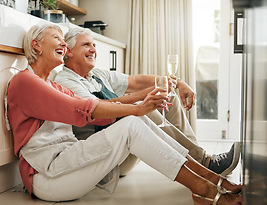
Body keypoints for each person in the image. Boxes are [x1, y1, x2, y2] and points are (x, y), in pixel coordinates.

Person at [5, 23, 242, 205]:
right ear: (36, 45)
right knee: (131, 122)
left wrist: (141, 105)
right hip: (44, 175)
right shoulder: (25, 81)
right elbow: (82, 109)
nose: (63, 45)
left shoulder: (50, 84)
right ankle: (205, 190)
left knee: (134, 120)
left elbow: (94, 107)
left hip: (65, 162)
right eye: (56, 38)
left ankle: (210, 178)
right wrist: (138, 106)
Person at [53, 28, 240, 177]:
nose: (94, 49)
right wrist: (146, 98)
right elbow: (97, 109)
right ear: (68, 51)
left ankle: (201, 163)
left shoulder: (98, 75)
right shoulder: (66, 80)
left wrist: (176, 83)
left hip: (127, 146)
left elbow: (137, 81)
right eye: (86, 45)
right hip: (106, 158)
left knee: (170, 99)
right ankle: (204, 164)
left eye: (94, 44)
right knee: (140, 109)